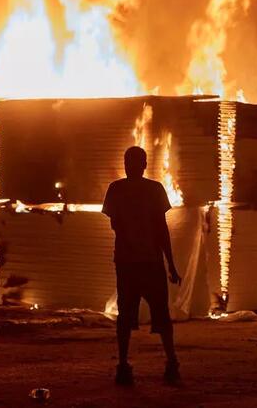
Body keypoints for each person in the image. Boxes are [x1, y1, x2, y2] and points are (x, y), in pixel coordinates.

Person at [102, 146, 182, 386]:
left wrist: (170, 264)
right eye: (130, 162)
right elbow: (161, 229)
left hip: (131, 262)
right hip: (147, 262)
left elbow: (116, 224)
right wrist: (170, 264)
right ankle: (170, 363)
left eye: (131, 162)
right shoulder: (153, 189)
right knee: (158, 315)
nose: (130, 166)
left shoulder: (117, 189)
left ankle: (124, 366)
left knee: (127, 316)